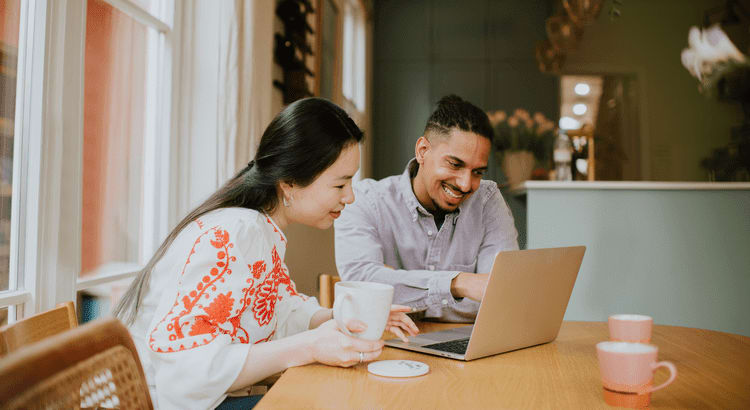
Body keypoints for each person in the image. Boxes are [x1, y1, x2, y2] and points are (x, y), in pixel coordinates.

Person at [114, 98, 418, 410]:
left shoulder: (257, 230)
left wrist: (345, 318)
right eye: (340, 184)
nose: (350, 196)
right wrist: (311, 346)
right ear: (290, 183)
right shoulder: (234, 233)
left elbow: (279, 311)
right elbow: (188, 369)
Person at [334, 95, 519, 323]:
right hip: (389, 345)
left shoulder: (487, 200)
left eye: (477, 172)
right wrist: (459, 283)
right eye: (455, 164)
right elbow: (362, 283)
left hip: (468, 349)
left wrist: (397, 283)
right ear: (422, 150)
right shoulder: (365, 201)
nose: (465, 184)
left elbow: (501, 294)